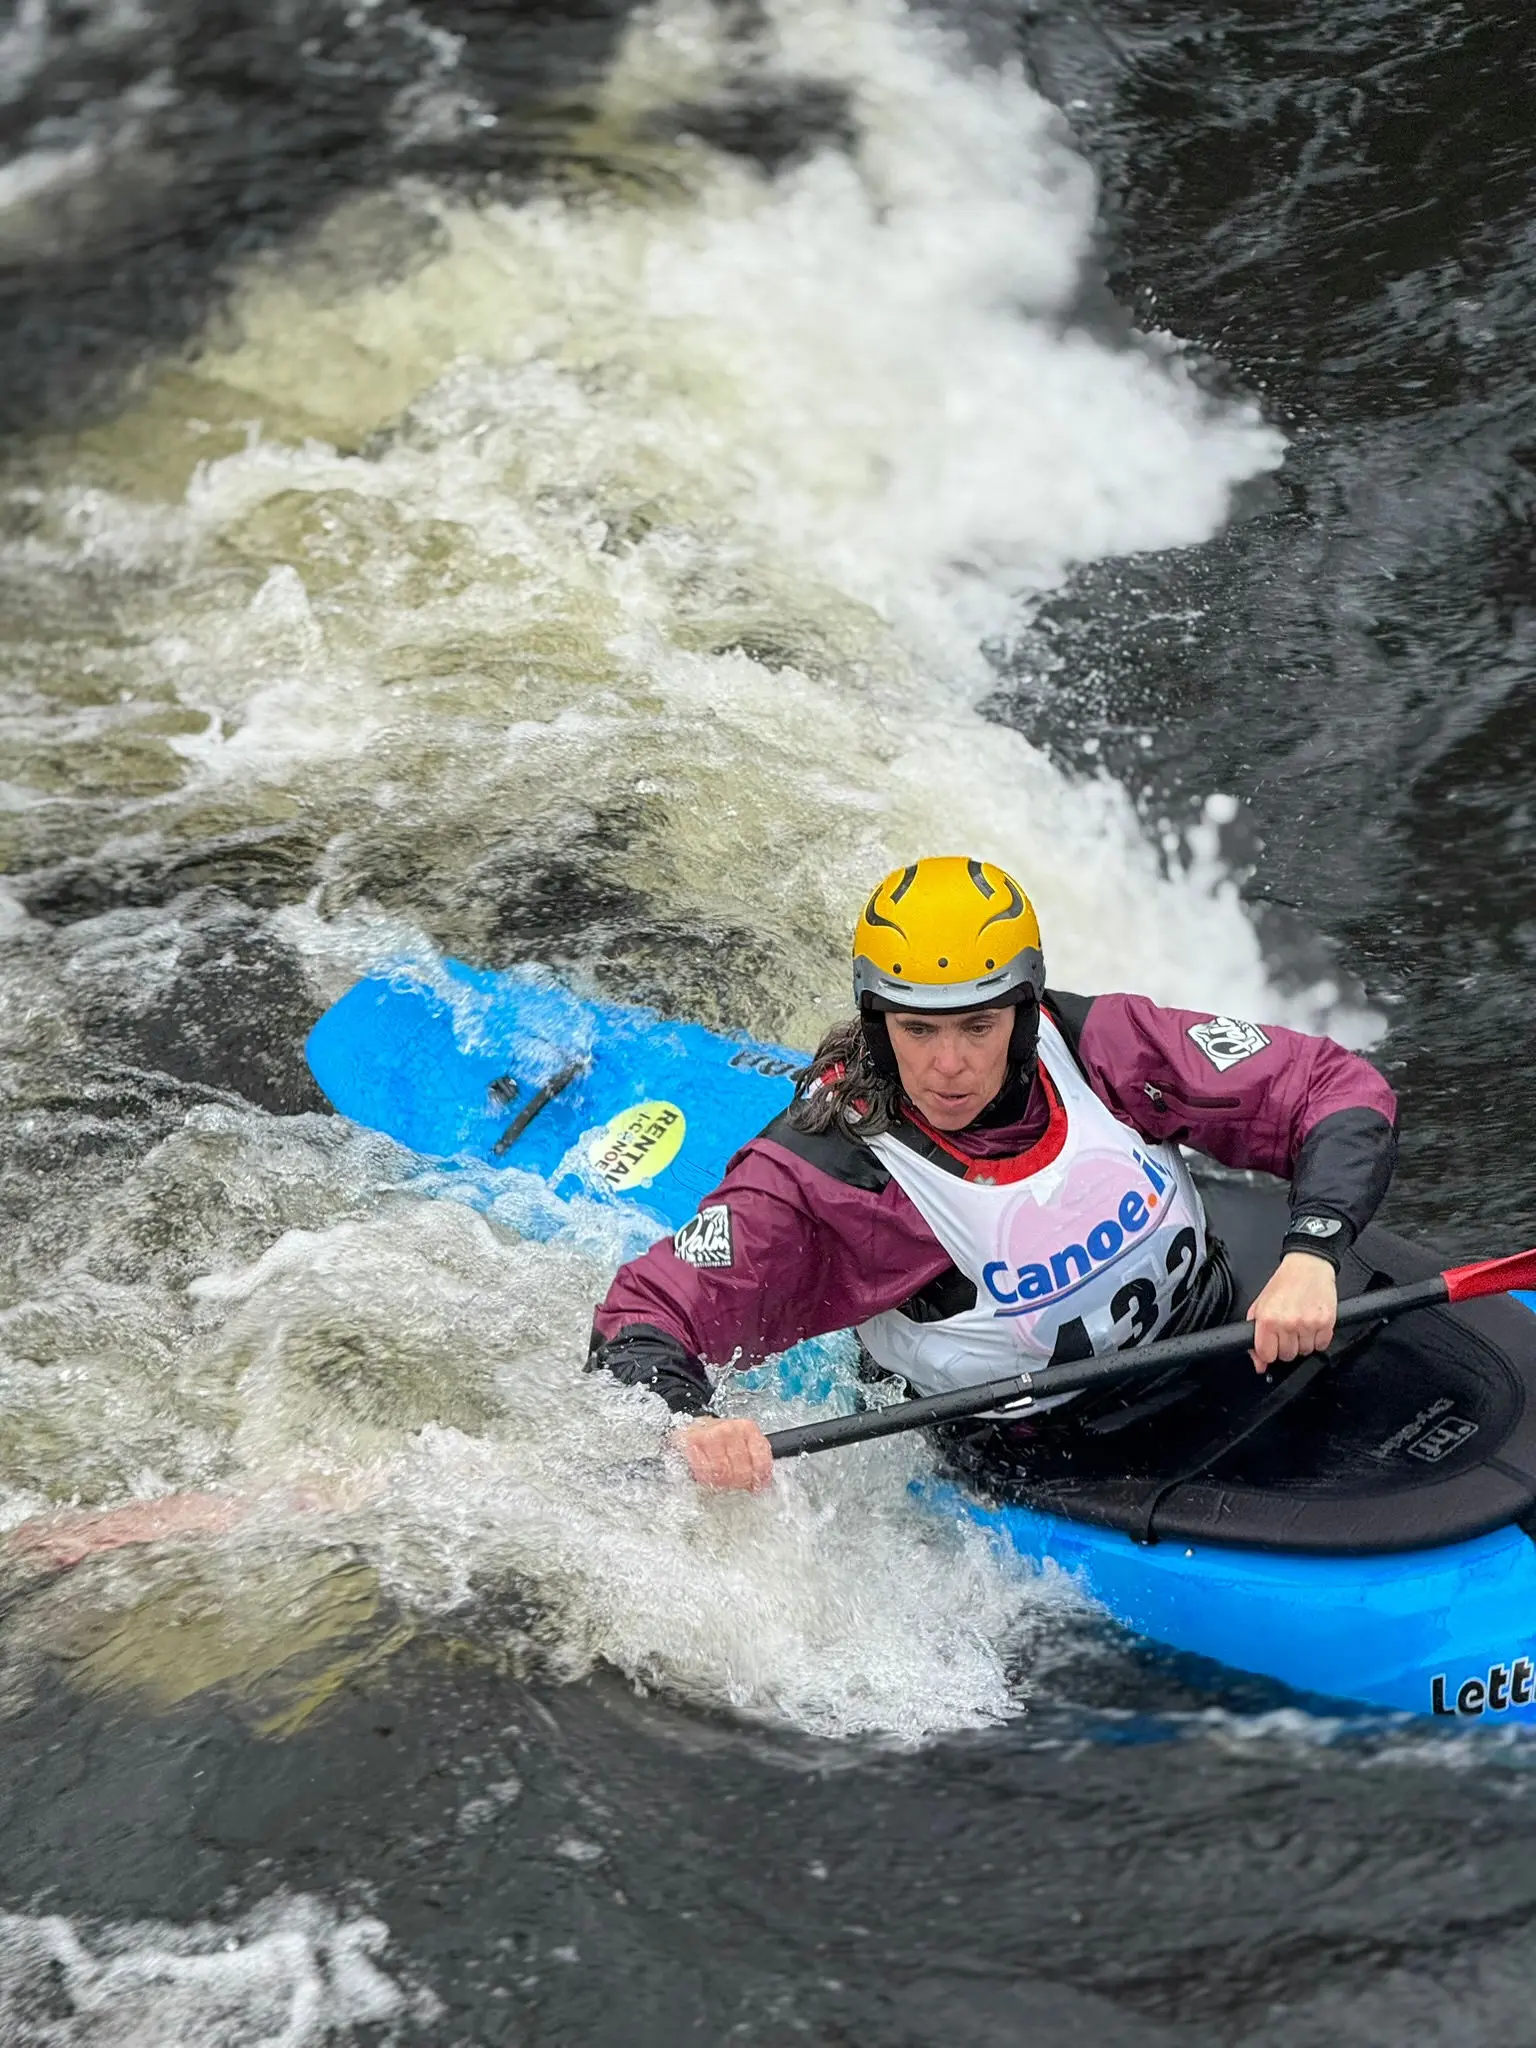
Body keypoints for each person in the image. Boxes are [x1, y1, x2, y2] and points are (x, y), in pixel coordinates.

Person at [589, 856, 1399, 1492]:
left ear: (1024, 1008)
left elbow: (1333, 1087)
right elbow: (641, 1314)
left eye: (979, 1026)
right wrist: (690, 1423)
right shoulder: (835, 1180)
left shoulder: (1101, 1045)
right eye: (916, 1030)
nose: (949, 1066)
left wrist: (1314, 1250)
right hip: (1058, 1456)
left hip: (1225, 1335)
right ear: (877, 1022)